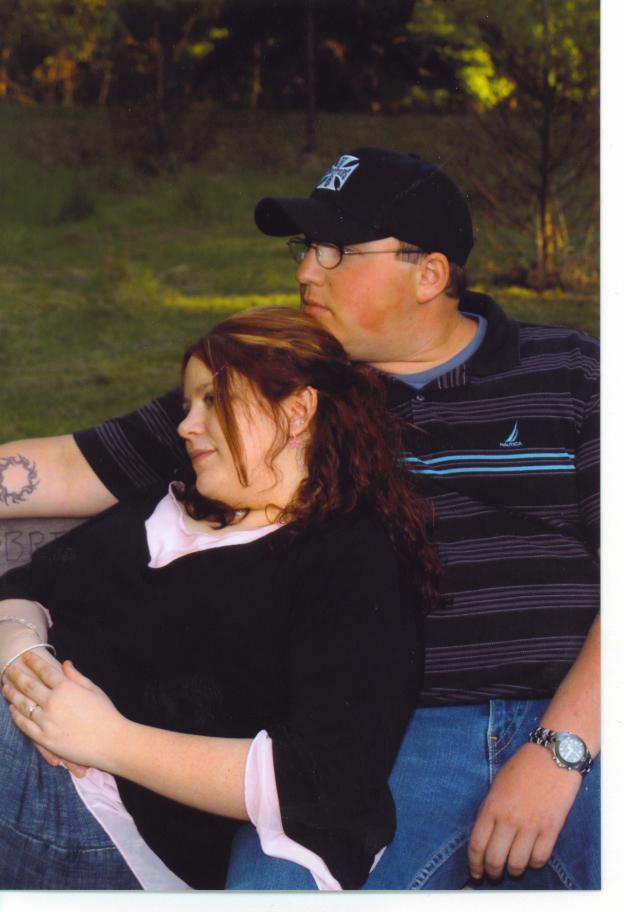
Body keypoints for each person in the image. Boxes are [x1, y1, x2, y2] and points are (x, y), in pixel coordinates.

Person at [0, 147, 599, 890]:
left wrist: (560, 749)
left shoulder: (572, 371)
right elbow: (64, 468)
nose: (307, 270)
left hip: (583, 710)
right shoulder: (274, 390)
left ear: (430, 275)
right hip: (396, 740)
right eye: (306, 247)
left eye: (337, 249)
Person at [0, 306, 439, 890]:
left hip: (112, 825)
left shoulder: (348, 561)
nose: (187, 425)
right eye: (189, 405)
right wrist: (20, 653)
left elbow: (323, 780)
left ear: (298, 411)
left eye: (214, 400)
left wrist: (108, 740)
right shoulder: (173, 505)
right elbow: (28, 584)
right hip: (27, 741)